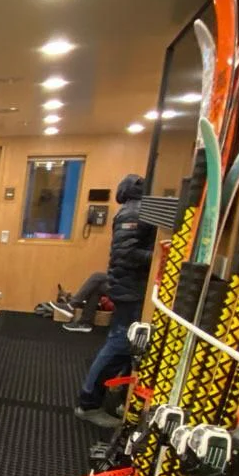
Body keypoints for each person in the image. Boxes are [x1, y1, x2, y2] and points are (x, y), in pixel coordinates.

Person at [75, 174, 155, 428]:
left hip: (131, 288)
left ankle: (116, 396)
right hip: (130, 290)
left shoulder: (133, 211)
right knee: (119, 345)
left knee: (126, 350)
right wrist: (164, 253)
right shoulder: (133, 213)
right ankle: (88, 403)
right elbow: (127, 253)